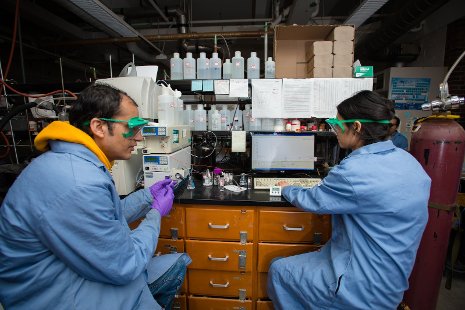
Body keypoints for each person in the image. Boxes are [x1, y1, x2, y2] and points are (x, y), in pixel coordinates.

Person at [0, 84, 191, 309]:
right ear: (99, 127)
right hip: (57, 296)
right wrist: (156, 214)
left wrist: (148, 196)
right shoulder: (77, 182)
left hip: (76, 276)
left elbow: (107, 216)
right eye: (132, 127)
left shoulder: (78, 163)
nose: (139, 137)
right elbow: (126, 265)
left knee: (180, 261)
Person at [267, 90, 431, 309]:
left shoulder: (353, 171)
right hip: (391, 285)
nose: (334, 130)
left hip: (359, 287)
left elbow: (314, 200)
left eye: (337, 123)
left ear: (357, 127)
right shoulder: (411, 163)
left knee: (279, 270)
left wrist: (287, 188)